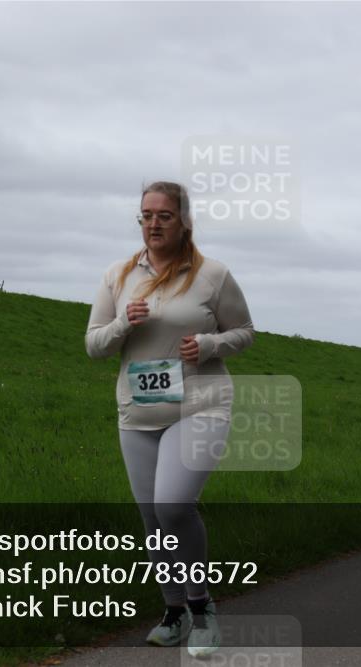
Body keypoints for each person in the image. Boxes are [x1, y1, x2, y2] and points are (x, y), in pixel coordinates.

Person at [85, 181, 253, 657]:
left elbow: (245, 331)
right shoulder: (118, 276)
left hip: (201, 403)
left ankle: (202, 610)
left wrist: (210, 345)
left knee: (173, 506)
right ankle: (174, 611)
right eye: (146, 215)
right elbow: (94, 346)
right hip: (137, 413)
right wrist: (123, 324)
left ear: (184, 222)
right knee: (152, 518)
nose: (153, 223)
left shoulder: (212, 275)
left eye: (164, 215)